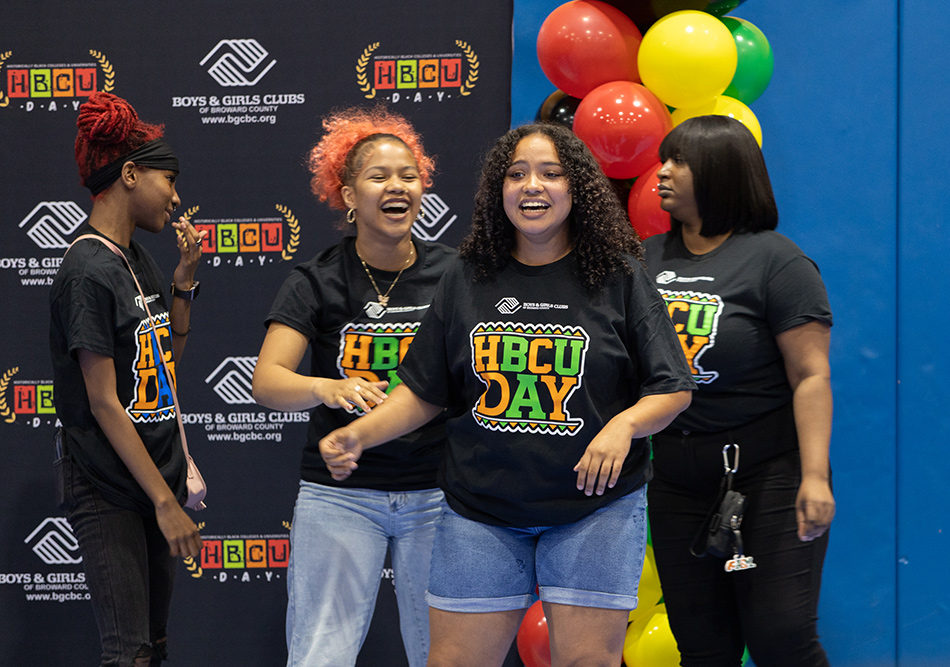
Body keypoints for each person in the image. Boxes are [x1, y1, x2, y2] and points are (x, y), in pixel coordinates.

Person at [320, 122, 696, 667]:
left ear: (578, 189)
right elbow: (423, 391)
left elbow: (672, 388)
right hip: (482, 509)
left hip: (595, 509)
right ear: (499, 190)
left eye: (550, 173)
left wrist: (623, 426)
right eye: (516, 174)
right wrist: (358, 433)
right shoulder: (467, 277)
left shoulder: (618, 275)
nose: (531, 186)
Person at [251, 107, 456, 667]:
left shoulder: (456, 274)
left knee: (446, 654)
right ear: (347, 194)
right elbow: (267, 382)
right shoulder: (316, 278)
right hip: (340, 497)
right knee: (321, 652)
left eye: (409, 176)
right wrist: (326, 387)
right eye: (379, 176)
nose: (398, 187)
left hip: (440, 491)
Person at [643, 115, 835, 667]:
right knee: (703, 647)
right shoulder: (643, 260)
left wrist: (815, 476)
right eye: (663, 158)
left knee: (781, 636)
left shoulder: (778, 261)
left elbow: (811, 376)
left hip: (769, 472)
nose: (662, 172)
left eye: (679, 161)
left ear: (720, 173)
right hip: (676, 478)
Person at [50, 92, 207, 667]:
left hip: (149, 476)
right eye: (170, 179)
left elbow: (162, 372)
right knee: (131, 655)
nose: (177, 195)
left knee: (154, 649)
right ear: (131, 174)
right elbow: (105, 404)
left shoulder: (136, 258)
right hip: (108, 483)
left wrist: (183, 285)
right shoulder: (87, 269)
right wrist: (166, 503)